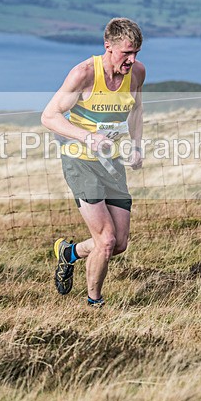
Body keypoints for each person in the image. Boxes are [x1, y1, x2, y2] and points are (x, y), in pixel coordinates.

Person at [41, 18, 145, 307]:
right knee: (106, 240)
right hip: (80, 161)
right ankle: (94, 304)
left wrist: (136, 145)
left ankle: (69, 253)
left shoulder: (137, 72)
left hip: (111, 163)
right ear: (108, 46)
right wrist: (87, 137)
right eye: (126, 53)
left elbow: (136, 109)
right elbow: (49, 116)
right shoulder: (84, 74)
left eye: (136, 52)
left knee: (119, 243)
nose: (132, 59)